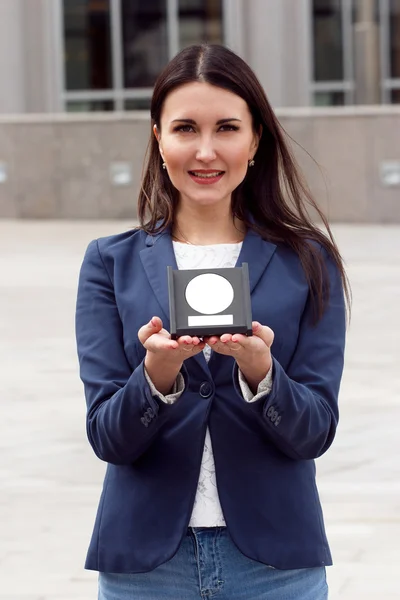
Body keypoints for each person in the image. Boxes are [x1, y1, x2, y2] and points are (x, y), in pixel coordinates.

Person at [75, 43, 349, 600]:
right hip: (147, 570)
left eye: (226, 127)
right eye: (184, 129)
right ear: (158, 137)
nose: (205, 150)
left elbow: (315, 430)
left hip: (276, 568)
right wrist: (154, 379)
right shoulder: (110, 262)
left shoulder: (307, 261)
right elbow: (108, 436)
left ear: (255, 141)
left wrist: (262, 374)